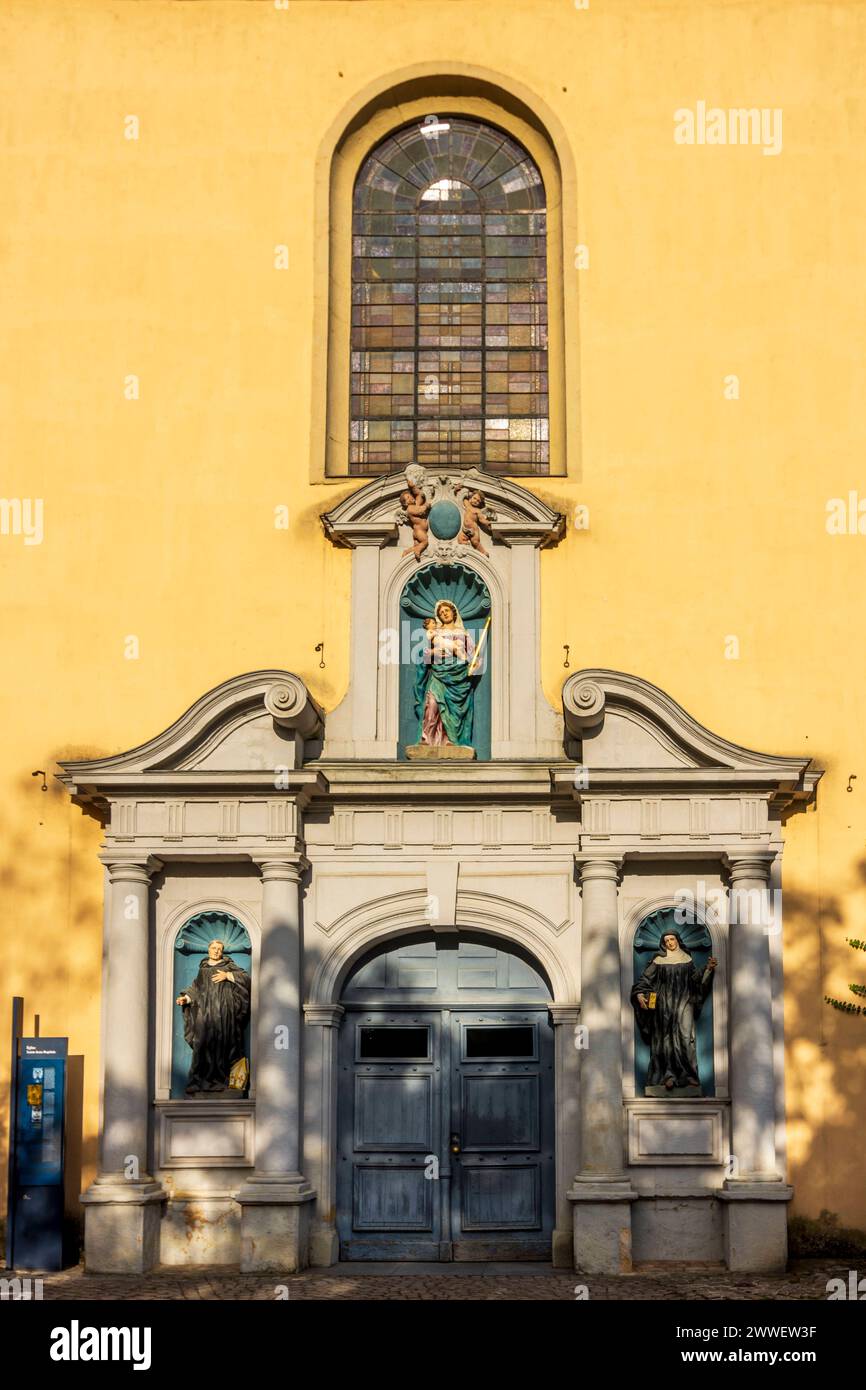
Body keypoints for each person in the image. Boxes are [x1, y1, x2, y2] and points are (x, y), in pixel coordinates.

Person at [630, 930, 716, 1094]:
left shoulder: (687, 959)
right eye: (667, 940)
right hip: (663, 1005)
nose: (670, 942)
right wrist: (640, 994)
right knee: (665, 1039)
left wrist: (708, 969)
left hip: (685, 1003)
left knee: (685, 1037)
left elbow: (695, 980)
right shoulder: (659, 960)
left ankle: (689, 1076)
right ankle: (667, 1076)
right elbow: (645, 980)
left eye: (672, 939)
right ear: (663, 943)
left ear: (677, 940)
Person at [176, 939, 251, 1096]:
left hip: (225, 1015)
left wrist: (228, 975)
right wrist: (186, 999)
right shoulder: (203, 970)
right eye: (214, 948)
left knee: (226, 1045)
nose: (216, 951)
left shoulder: (228, 966)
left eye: (219, 948)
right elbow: (196, 989)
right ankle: (199, 1082)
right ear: (208, 950)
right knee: (201, 1046)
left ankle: (224, 1082)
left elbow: (246, 979)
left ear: (222, 951)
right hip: (206, 1015)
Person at [413, 599, 478, 748]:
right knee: (432, 705)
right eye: (441, 613)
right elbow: (425, 656)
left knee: (453, 713)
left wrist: (473, 664)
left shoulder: (464, 634)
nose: (444, 614)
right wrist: (434, 652)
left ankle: (452, 741)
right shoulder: (436, 633)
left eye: (446, 611)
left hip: (459, 678)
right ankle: (427, 740)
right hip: (438, 675)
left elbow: (474, 657)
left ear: (453, 612)